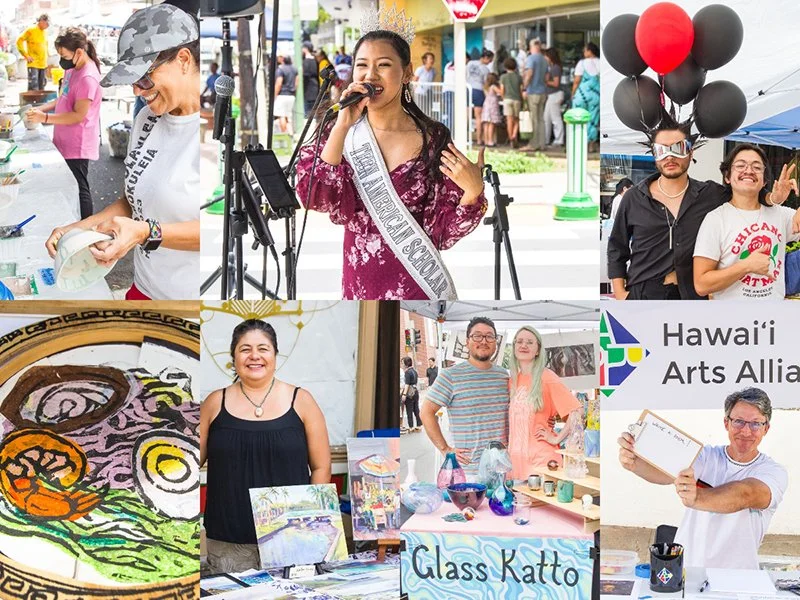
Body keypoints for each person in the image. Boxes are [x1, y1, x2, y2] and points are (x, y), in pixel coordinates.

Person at [295, 25, 487, 300]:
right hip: (361, 282)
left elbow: (442, 231)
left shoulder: (433, 138)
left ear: (407, 72)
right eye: (362, 65)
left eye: (383, 65)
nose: (370, 75)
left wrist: (472, 190)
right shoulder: (339, 131)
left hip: (417, 284)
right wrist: (341, 127)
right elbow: (315, 197)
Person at [44, 4, 201, 300]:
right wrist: (78, 229)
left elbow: (220, 231)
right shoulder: (146, 119)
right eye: (132, 82)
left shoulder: (213, 131)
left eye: (144, 78)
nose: (137, 91)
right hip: (143, 288)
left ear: (183, 59)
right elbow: (135, 201)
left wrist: (145, 233)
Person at [608, 117, 799, 300]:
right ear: (654, 154)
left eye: (678, 148)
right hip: (644, 294)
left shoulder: (710, 194)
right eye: (661, 150)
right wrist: (620, 293)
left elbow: (745, 193)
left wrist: (773, 197)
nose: (670, 156)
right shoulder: (634, 198)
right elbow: (617, 247)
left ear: (691, 153)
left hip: (691, 296)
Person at [200, 319, 331, 574]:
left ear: (275, 354)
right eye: (245, 349)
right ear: (234, 356)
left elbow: (321, 466)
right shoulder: (215, 402)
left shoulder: (302, 401)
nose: (254, 356)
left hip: (291, 537)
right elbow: (190, 459)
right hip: (229, 538)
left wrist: (313, 526)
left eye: (263, 348)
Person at [618, 388, 787, 569]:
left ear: (766, 429)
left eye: (755, 424)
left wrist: (698, 498)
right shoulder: (705, 456)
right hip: (687, 571)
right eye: (738, 421)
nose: (746, 431)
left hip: (739, 577)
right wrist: (634, 463)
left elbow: (747, 494)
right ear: (726, 423)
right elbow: (666, 472)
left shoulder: (773, 472)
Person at [694, 144, 800, 300]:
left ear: (764, 181)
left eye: (757, 167)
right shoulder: (715, 220)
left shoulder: (781, 215)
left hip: (774, 318)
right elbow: (701, 285)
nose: (749, 171)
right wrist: (746, 266)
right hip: (733, 321)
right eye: (740, 165)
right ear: (727, 177)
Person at [25, 28, 102, 220]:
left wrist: (45, 119)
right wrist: (42, 109)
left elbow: (78, 115)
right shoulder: (72, 69)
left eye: (64, 55)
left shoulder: (88, 77)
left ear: (79, 52)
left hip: (78, 142)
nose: (62, 59)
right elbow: (63, 99)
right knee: (68, 184)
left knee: (79, 186)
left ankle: (85, 227)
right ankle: (71, 222)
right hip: (64, 137)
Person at [420, 317, 509, 478]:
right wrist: (445, 449)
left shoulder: (503, 376)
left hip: (502, 469)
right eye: (477, 336)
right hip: (468, 472)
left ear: (496, 342)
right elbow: (426, 412)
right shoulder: (450, 375)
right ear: (467, 341)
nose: (484, 341)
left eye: (489, 336)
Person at [507, 326, 582, 480]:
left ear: (537, 350)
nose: (523, 345)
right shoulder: (513, 380)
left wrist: (556, 438)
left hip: (542, 461)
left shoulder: (547, 377)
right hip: (516, 463)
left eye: (529, 342)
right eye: (519, 341)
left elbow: (577, 411)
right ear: (514, 347)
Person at [572, 42, 600, 151]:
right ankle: (591, 145)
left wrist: (573, 93)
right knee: (593, 119)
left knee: (579, 118)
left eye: (585, 50)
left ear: (590, 51)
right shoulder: (600, 63)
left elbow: (577, 81)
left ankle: (579, 143)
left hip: (581, 95)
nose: (584, 52)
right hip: (596, 95)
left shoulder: (582, 63)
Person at [522, 39, 547, 151]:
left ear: (531, 47)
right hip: (543, 91)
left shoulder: (531, 58)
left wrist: (524, 88)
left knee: (534, 119)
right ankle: (542, 144)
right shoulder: (544, 59)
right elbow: (547, 77)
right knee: (541, 119)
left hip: (533, 91)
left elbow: (529, 74)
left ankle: (533, 144)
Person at [466, 49, 493, 146]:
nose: (490, 62)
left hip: (468, 89)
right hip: (478, 91)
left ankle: (464, 137)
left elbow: (465, 75)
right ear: (486, 58)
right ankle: (478, 140)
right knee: (478, 117)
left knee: (466, 115)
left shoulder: (470, 63)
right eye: (490, 60)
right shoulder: (486, 69)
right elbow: (486, 83)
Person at [16, 14, 49, 91]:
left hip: (43, 63)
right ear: (41, 21)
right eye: (47, 23)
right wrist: (25, 55)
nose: (48, 26)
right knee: (34, 86)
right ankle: (32, 102)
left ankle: (41, 102)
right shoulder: (31, 30)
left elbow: (45, 45)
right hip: (33, 62)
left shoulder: (45, 32)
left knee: (42, 86)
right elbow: (19, 41)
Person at [499, 57, 522, 148]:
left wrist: (503, 97)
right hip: (517, 99)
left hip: (507, 99)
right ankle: (514, 135)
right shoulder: (518, 77)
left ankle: (510, 138)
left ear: (505, 67)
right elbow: (520, 90)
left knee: (509, 120)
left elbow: (502, 90)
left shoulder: (503, 77)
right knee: (516, 120)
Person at [543, 47, 564, 148]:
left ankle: (559, 140)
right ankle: (546, 139)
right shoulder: (552, 67)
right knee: (546, 118)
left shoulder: (555, 68)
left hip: (555, 95)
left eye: (546, 56)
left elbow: (556, 83)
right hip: (551, 95)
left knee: (555, 118)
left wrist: (546, 81)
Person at [275, 55, 298, 134]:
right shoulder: (294, 69)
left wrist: (275, 95)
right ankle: (290, 133)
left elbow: (279, 83)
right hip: (291, 95)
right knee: (288, 116)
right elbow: (296, 83)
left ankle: (284, 134)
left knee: (281, 115)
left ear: (283, 61)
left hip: (282, 95)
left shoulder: (280, 69)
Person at [481, 73, 502, 147]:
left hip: (486, 104)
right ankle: (490, 141)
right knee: (492, 124)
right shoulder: (493, 86)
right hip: (493, 105)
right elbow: (500, 92)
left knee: (486, 124)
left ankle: (486, 141)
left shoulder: (485, 86)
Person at [401, 357, 421, 432]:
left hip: (409, 393)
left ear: (406, 364)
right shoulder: (414, 371)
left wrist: (404, 394)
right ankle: (419, 425)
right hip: (415, 392)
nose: (402, 365)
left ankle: (411, 426)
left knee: (409, 409)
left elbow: (407, 385)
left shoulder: (407, 372)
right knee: (416, 409)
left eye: (402, 363)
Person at [301, 43, 320, 116]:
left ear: (306, 49)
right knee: (314, 111)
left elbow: (305, 75)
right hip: (315, 86)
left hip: (307, 88)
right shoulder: (315, 60)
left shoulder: (306, 61)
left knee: (307, 113)